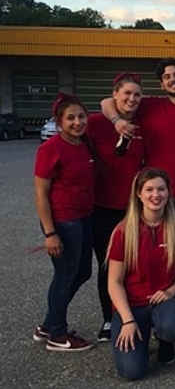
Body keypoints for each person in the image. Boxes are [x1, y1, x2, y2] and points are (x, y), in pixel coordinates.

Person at [102, 58, 175, 332]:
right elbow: (106, 102)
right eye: (167, 77)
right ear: (161, 84)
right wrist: (116, 122)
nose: (173, 79)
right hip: (156, 196)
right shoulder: (150, 105)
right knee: (148, 255)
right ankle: (140, 310)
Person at [107, 168, 175, 380]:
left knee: (172, 327)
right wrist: (128, 320)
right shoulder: (123, 231)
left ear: (168, 192)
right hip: (132, 305)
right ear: (138, 194)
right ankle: (141, 334)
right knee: (131, 372)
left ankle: (164, 339)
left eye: (161, 189)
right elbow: (114, 282)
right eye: (149, 190)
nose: (155, 195)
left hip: (165, 299)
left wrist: (172, 290)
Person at [32, 94, 97, 352]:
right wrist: (50, 233)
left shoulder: (83, 144)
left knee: (82, 272)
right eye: (70, 118)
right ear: (59, 121)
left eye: (81, 116)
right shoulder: (51, 149)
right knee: (65, 275)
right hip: (63, 221)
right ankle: (57, 335)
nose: (77, 122)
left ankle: (49, 323)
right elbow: (40, 194)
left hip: (84, 217)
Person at [87, 72, 146, 343]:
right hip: (103, 207)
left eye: (136, 94)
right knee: (108, 265)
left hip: (135, 209)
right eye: (126, 94)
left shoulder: (143, 126)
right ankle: (109, 318)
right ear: (115, 95)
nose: (131, 99)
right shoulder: (97, 124)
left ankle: (139, 315)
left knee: (138, 263)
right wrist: (115, 120)